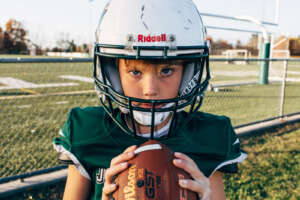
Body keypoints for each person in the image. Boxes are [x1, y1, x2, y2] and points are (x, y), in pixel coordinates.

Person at [53, 0, 247, 199]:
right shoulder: (87, 132)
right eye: (135, 71)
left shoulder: (209, 137)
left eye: (166, 70)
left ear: (189, 73)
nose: (150, 90)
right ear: (113, 74)